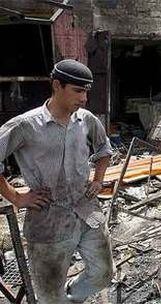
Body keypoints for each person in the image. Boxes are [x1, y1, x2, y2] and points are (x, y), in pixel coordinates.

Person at [0, 59, 114, 303]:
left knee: (103, 274)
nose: (84, 98)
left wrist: (98, 180)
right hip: (48, 218)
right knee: (50, 295)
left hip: (86, 211)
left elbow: (104, 150)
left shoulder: (86, 120)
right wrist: (17, 197)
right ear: (57, 85)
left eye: (86, 91)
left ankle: (72, 297)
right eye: (77, 90)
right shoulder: (26, 125)